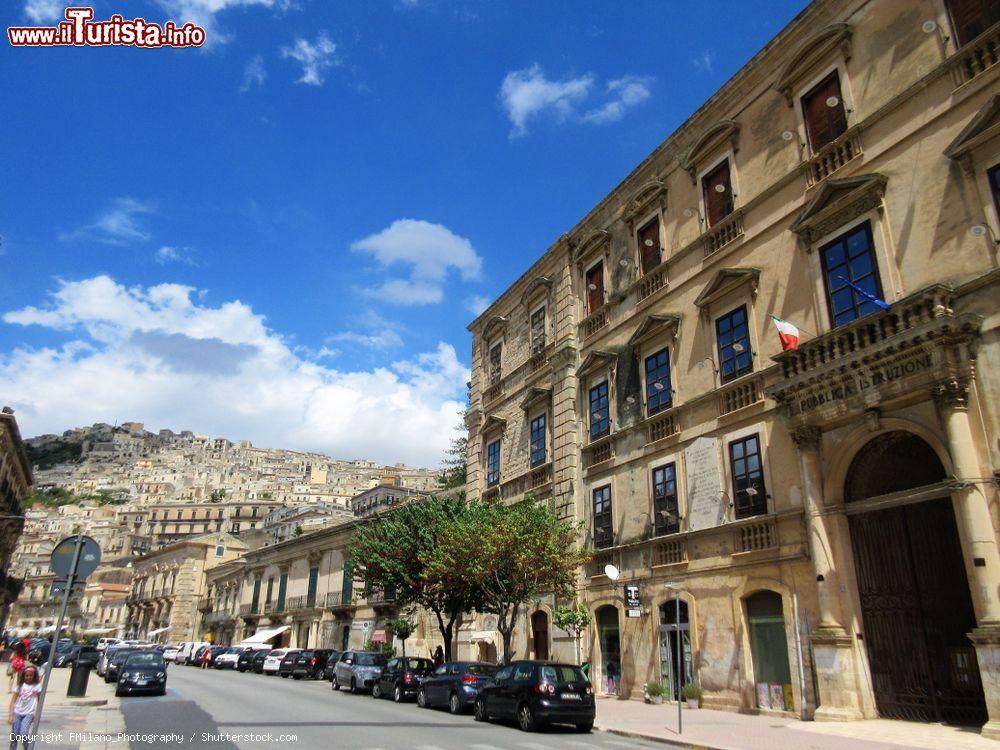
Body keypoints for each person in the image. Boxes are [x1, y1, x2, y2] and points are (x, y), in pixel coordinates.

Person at [8, 664, 41, 750]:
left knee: (23, 734)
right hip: (17, 712)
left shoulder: (37, 686)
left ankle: (27, 748)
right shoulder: (19, 687)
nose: (29, 677)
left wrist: (36, 714)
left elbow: (40, 701)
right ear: (23, 676)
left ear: (34, 676)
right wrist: (11, 715)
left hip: (28, 713)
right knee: (14, 735)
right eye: (27, 676)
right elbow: (13, 702)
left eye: (31, 676)